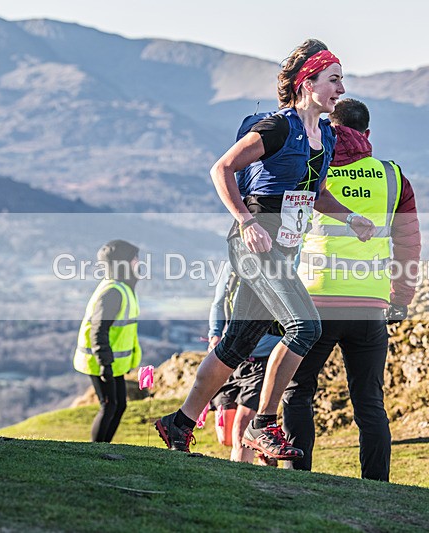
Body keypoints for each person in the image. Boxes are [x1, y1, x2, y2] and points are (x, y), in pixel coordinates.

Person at [155, 38, 376, 460]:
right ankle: (262, 425)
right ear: (307, 83)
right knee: (305, 326)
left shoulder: (325, 135)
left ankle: (179, 423)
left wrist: (350, 217)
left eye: (342, 81)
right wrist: (247, 221)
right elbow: (222, 169)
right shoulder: (278, 127)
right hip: (255, 242)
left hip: (284, 245)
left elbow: (318, 194)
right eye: (334, 80)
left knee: (237, 343)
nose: (341, 89)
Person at [282, 98, 421, 481]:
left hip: (314, 301)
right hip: (369, 306)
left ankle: (297, 476)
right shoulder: (393, 177)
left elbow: (285, 232)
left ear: (328, 126)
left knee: (298, 391)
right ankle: (376, 486)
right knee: (369, 402)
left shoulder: (312, 169)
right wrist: (401, 299)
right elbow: (409, 245)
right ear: (368, 134)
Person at [207, 264, 281, 465]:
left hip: (263, 361)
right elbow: (219, 302)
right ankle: (263, 444)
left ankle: (241, 482)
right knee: (225, 436)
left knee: (241, 429)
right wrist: (214, 334)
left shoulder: (278, 262)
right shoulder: (230, 266)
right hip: (232, 358)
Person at [73, 239, 142, 443]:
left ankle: (104, 447)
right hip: (100, 361)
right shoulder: (113, 292)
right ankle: (95, 450)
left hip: (113, 362)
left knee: (119, 405)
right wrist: (105, 364)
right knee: (109, 405)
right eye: (134, 258)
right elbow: (98, 331)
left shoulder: (123, 288)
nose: (138, 262)